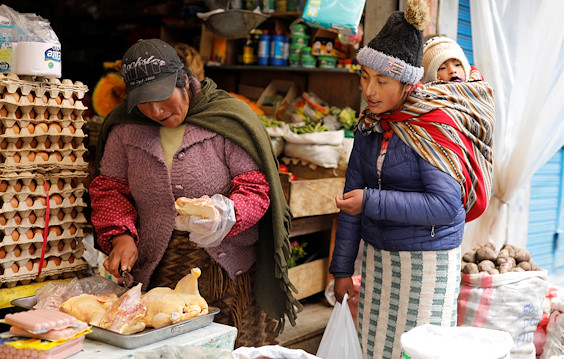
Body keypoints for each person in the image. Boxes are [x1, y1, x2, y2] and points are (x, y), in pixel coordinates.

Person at [89, 38, 300, 347]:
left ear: (185, 81)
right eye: (143, 102)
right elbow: (110, 188)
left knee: (235, 349)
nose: (156, 110)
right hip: (159, 271)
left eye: (162, 97)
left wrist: (227, 215)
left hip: (231, 270)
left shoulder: (227, 118)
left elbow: (256, 187)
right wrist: (121, 235)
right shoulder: (124, 129)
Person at [328, 0, 496, 357]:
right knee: (374, 348)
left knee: (417, 352)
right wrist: (341, 269)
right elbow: (351, 199)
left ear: (406, 83)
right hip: (378, 260)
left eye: (382, 81)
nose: (370, 90)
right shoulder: (369, 126)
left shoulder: (433, 127)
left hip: (427, 265)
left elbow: (445, 205)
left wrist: (370, 201)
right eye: (365, 77)